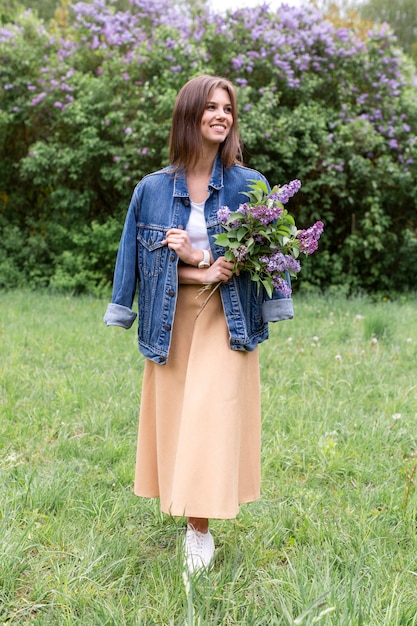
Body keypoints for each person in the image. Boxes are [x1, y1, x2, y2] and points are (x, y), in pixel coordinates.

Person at [104, 75, 293, 573]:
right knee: (180, 423)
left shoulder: (251, 185)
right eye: (210, 107)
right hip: (171, 320)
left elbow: (263, 255)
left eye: (227, 108)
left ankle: (199, 530)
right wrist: (196, 267)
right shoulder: (150, 190)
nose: (221, 116)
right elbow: (135, 259)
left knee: (211, 417)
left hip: (226, 317)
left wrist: (205, 255)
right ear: (189, 115)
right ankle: (192, 521)